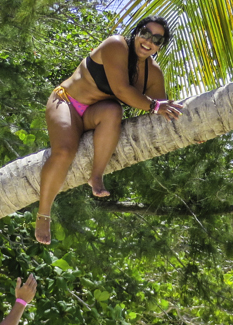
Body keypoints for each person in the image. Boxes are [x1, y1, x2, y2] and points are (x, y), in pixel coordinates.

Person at [35, 16, 184, 244]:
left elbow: (166, 113)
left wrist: (191, 132)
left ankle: (96, 176)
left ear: (160, 47)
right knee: (64, 152)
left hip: (97, 115)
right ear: (136, 32)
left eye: (156, 40)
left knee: (114, 111)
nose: (148, 42)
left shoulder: (153, 74)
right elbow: (122, 90)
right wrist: (154, 106)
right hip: (67, 103)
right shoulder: (116, 45)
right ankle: (44, 214)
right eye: (145, 33)